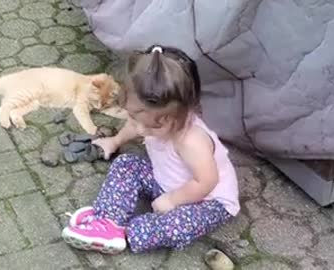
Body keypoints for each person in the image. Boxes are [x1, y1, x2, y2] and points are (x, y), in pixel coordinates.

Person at [61, 45, 240, 254]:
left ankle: (131, 232)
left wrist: (173, 200)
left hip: (207, 200)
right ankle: (107, 222)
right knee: (126, 164)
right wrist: (115, 141)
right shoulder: (146, 116)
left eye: (153, 126)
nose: (140, 130)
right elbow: (136, 124)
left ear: (182, 114)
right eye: (135, 118)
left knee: (177, 225)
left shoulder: (191, 140)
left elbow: (207, 181)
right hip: (166, 181)